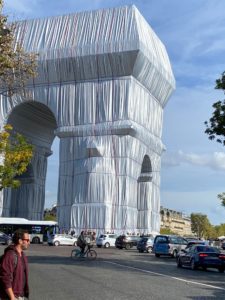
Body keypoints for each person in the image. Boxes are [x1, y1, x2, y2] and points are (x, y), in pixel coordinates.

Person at [0, 229, 30, 300]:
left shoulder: (22, 255)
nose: (29, 242)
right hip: (10, 296)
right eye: (27, 240)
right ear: (20, 241)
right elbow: (5, 277)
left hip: (20, 295)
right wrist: (12, 297)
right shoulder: (10, 255)